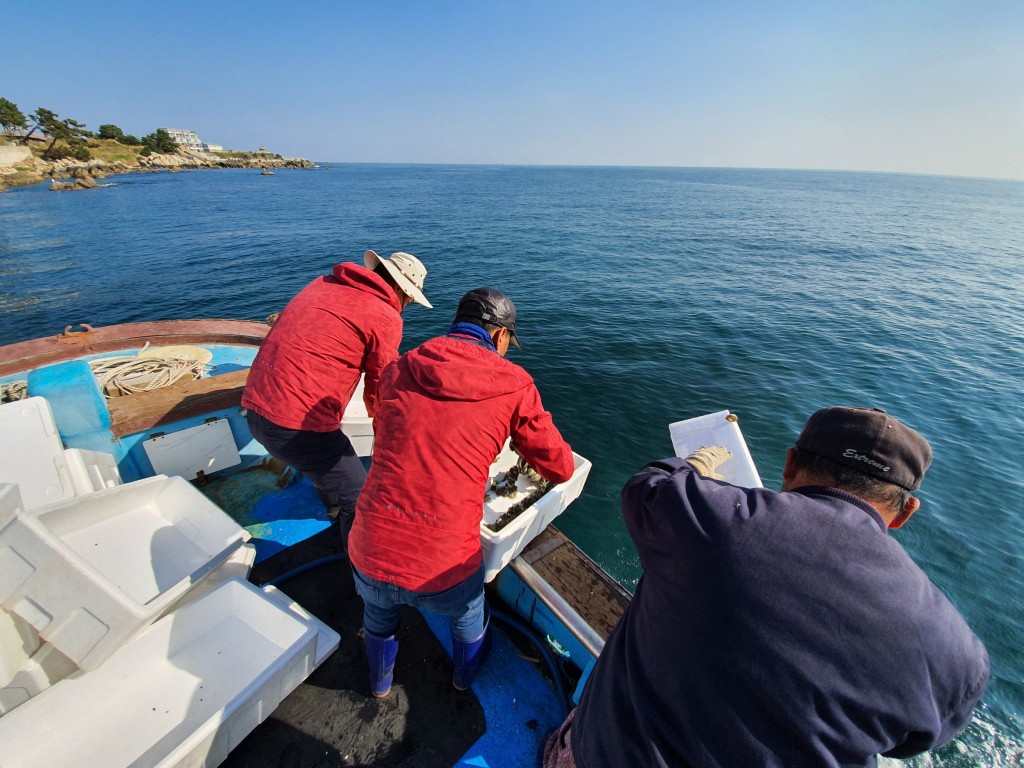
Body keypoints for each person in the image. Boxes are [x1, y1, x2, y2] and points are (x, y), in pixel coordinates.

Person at [546, 406, 989, 768]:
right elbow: (906, 744)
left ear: (791, 462)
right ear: (906, 511)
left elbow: (648, 487)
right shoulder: (960, 655)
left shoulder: (708, 520)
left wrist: (695, 465)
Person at [347, 287, 576, 697]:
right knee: (469, 614)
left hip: (370, 546)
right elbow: (559, 466)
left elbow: (390, 438)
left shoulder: (399, 368)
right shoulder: (514, 383)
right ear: (501, 337)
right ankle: (461, 679)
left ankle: (379, 683)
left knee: (378, 614)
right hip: (443, 565)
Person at [242, 250, 431, 548]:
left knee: (331, 461)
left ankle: (334, 504)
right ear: (399, 289)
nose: (405, 306)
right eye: (408, 299)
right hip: (294, 432)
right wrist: (388, 436)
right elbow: (380, 385)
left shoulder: (321, 284)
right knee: (359, 497)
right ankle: (358, 568)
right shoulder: (385, 315)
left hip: (253, 411)